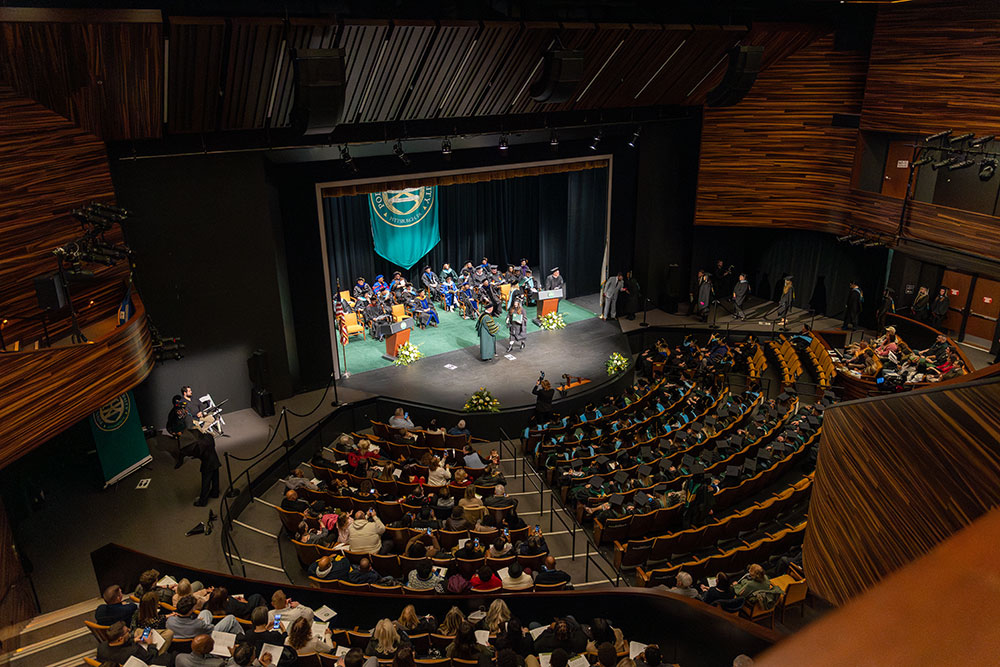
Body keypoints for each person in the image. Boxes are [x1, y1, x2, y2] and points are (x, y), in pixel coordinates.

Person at [166, 595, 242, 639]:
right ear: (191, 610)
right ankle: (243, 638)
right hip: (203, 638)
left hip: (191, 633)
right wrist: (201, 622)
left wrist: (199, 622)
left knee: (205, 612)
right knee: (231, 618)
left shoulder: (170, 621)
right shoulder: (198, 624)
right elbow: (211, 628)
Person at [96, 621, 164, 666]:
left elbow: (119, 646)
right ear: (120, 639)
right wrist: (150, 643)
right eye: (127, 631)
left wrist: (133, 640)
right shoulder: (133, 651)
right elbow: (151, 658)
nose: (129, 630)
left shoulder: (101, 647)